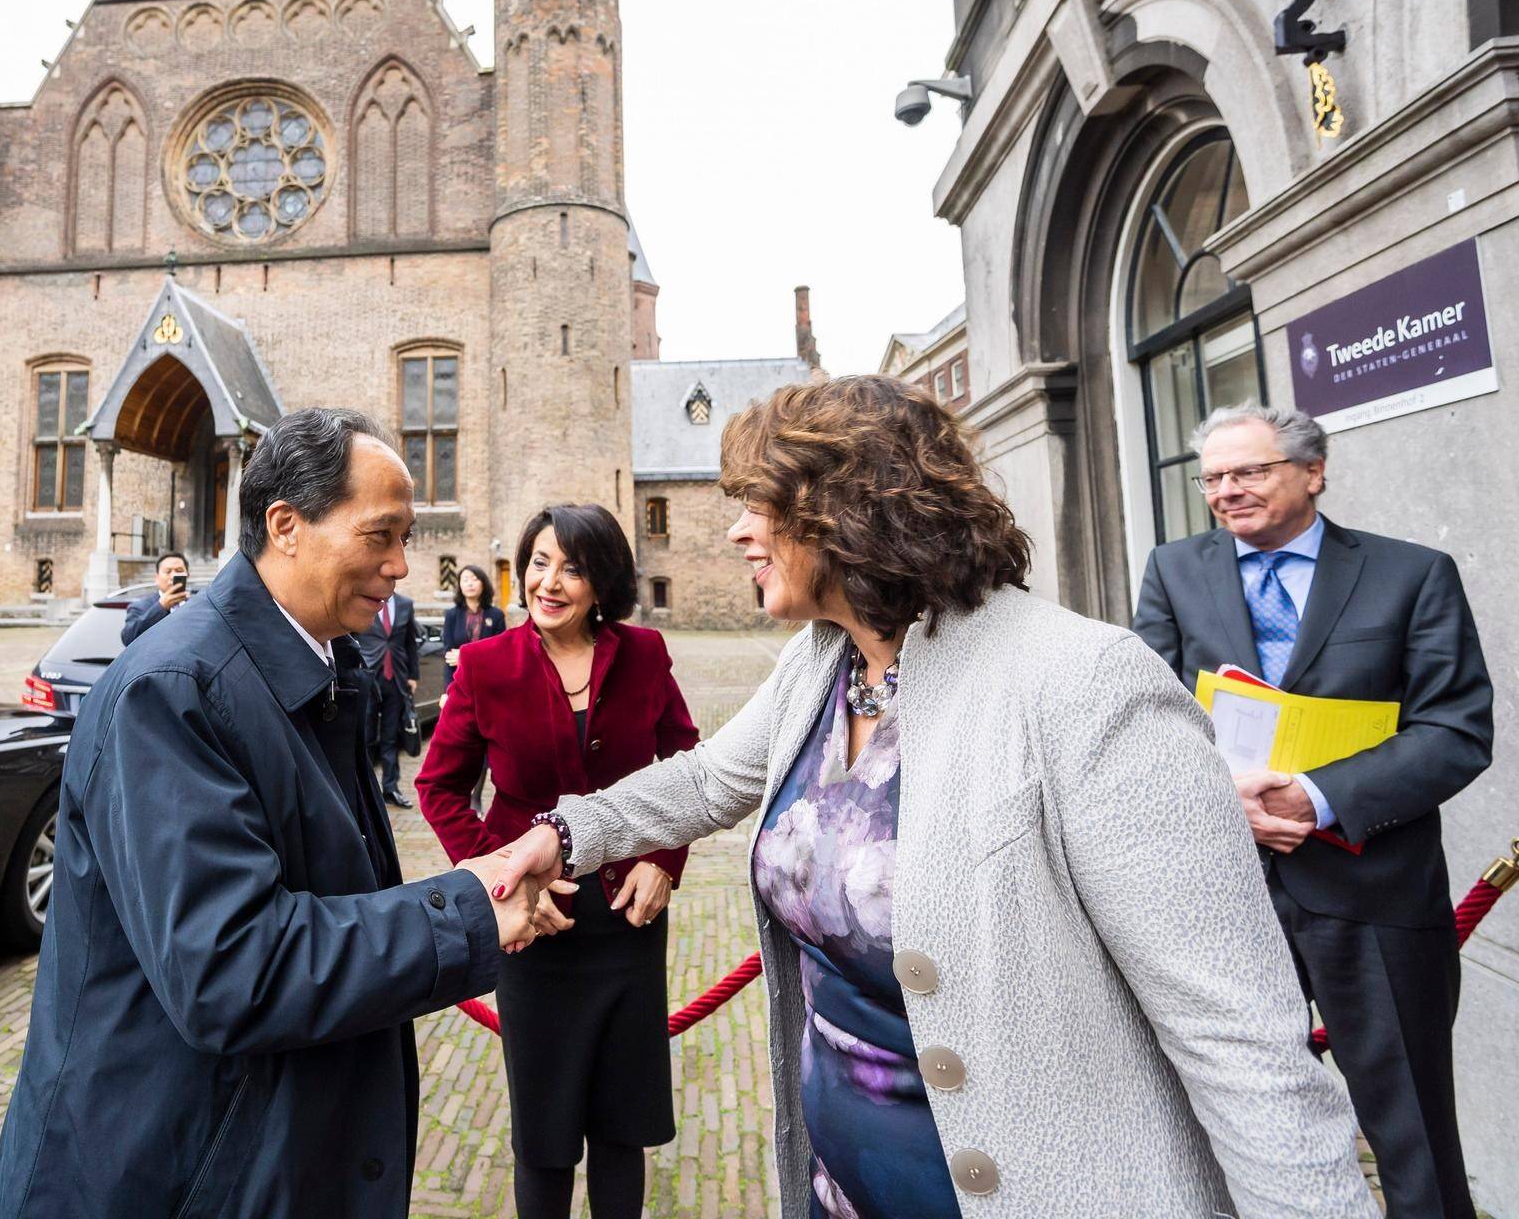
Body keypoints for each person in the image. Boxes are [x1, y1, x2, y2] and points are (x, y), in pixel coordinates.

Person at [492, 375, 1376, 1218]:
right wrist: (566, 833)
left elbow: (1245, 1050)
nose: (736, 533)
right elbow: (711, 778)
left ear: (851, 510)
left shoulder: (1086, 683)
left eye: (761, 505)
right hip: (847, 1186)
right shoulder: (824, 663)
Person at [0, 408, 555, 1219]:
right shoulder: (173, 694)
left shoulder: (320, 670)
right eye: (380, 536)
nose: (399, 566)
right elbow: (230, 969)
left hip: (261, 1157)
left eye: (407, 539)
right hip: (169, 1175)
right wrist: (465, 914)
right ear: (286, 526)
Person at [1132, 402, 1494, 1219]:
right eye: (1214, 478)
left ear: (1312, 472)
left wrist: (1317, 797)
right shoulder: (1173, 571)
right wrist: (1226, 799)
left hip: (1377, 896)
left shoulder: (1413, 573)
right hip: (1224, 894)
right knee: (1240, 1128)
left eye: (1249, 471)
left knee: (1412, 1140)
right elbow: (1145, 721)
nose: (1227, 492)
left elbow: (1456, 731)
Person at [417, 506, 697, 1219]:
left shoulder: (645, 653)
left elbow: (690, 766)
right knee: (543, 1135)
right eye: (538, 561)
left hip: (631, 917)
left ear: (603, 581)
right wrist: (499, 878)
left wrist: (664, 857)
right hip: (535, 931)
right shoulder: (486, 666)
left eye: (572, 567)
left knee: (621, 1127)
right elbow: (438, 787)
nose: (549, 581)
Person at [353, 580, 419, 809]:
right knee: (367, 737)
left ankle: (391, 788)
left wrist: (413, 676)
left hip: (396, 680)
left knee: (391, 738)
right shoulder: (364, 600)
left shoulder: (405, 605)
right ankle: (366, 791)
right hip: (369, 678)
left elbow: (411, 643)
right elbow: (352, 639)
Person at [441, 563, 506, 680]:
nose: (469, 583)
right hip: (459, 679)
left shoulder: (497, 615)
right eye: (465, 580)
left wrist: (464, 657)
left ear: (483, 583)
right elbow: (449, 656)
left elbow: (500, 653)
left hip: (488, 679)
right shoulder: (451, 615)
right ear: (460, 585)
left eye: (474, 579)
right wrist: (448, 690)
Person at [120, 551, 190, 646]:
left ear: (187, 575)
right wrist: (161, 607)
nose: (173, 576)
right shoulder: (140, 607)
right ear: (157, 578)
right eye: (168, 571)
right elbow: (128, 638)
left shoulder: (197, 605)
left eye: (179, 571)